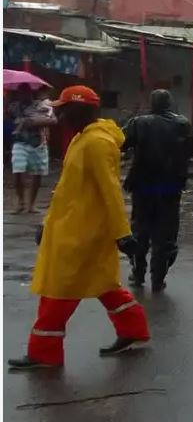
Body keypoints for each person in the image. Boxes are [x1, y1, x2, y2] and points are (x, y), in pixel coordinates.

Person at [8, 85, 149, 370]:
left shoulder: (97, 143)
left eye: (63, 109)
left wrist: (122, 233)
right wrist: (47, 223)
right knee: (104, 285)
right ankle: (133, 331)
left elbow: (110, 191)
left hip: (82, 235)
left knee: (58, 290)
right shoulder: (81, 139)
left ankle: (44, 353)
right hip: (71, 229)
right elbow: (65, 191)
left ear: (79, 110)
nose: (58, 115)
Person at [122, 89, 191, 291]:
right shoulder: (182, 124)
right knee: (166, 232)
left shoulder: (139, 123)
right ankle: (158, 277)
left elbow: (121, 142)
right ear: (169, 103)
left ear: (152, 103)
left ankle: (138, 273)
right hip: (170, 186)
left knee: (140, 230)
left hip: (143, 184)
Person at [9, 84, 57, 214]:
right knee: (18, 171)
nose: (24, 94)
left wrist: (33, 121)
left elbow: (52, 120)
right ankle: (20, 202)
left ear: (31, 93)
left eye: (27, 92)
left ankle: (32, 204)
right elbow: (11, 120)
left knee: (37, 173)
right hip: (20, 142)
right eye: (21, 92)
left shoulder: (40, 105)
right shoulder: (13, 107)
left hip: (38, 142)